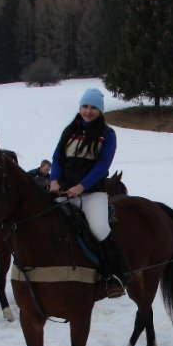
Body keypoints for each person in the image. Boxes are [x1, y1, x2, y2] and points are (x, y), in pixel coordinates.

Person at [50, 88, 127, 298]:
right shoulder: (69, 130)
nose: (88, 111)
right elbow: (57, 159)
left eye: (93, 108)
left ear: (100, 111)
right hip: (64, 192)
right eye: (85, 106)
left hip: (92, 193)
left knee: (100, 228)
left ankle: (115, 276)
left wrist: (81, 187)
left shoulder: (107, 135)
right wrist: (54, 180)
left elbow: (102, 166)